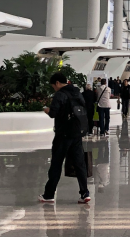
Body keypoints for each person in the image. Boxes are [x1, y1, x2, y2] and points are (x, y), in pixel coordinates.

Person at [39, 71, 91, 205]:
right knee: (80, 164)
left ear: (57, 83)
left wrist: (47, 110)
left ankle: (49, 195)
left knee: (56, 164)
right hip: (77, 133)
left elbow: (53, 113)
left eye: (53, 86)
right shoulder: (77, 92)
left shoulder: (60, 94)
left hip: (63, 134)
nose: (54, 89)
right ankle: (85, 193)